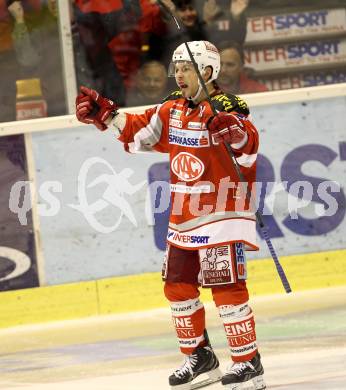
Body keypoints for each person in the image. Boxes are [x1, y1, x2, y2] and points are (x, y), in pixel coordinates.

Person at [76, 40, 266, 390]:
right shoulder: (172, 111)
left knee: (226, 288)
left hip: (221, 215)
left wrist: (234, 131)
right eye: (176, 68)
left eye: (186, 69)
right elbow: (139, 131)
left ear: (207, 72)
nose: (178, 74)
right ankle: (200, 358)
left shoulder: (226, 109)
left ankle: (248, 362)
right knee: (177, 287)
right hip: (183, 217)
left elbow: (248, 142)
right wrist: (105, 114)